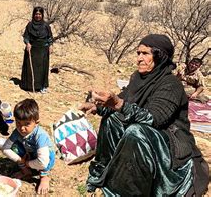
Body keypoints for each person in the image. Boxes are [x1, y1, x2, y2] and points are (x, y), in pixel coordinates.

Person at [79, 34, 209, 196]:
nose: (139, 58)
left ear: (160, 56)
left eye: (145, 54)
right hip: (146, 135)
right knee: (113, 120)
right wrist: (98, 107)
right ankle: (107, 174)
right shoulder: (138, 79)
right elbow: (123, 104)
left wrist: (118, 104)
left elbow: (154, 118)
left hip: (170, 143)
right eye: (138, 53)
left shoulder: (171, 84)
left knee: (135, 131)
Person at [0, 99, 55, 195]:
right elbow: (5, 148)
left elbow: (43, 162)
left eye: (27, 124)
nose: (22, 128)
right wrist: (20, 160)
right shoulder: (17, 132)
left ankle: (44, 176)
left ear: (36, 122)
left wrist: (28, 163)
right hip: (29, 154)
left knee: (48, 155)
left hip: (45, 159)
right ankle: (26, 171)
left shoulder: (40, 136)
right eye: (18, 123)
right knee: (14, 147)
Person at [20, 6, 53, 94]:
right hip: (32, 49)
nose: (37, 16)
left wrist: (50, 46)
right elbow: (26, 36)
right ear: (33, 15)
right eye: (36, 14)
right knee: (31, 69)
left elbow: (49, 37)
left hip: (43, 50)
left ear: (42, 15)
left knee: (42, 69)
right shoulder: (30, 25)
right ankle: (30, 86)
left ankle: (42, 87)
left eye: (39, 14)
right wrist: (27, 43)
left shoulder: (46, 25)